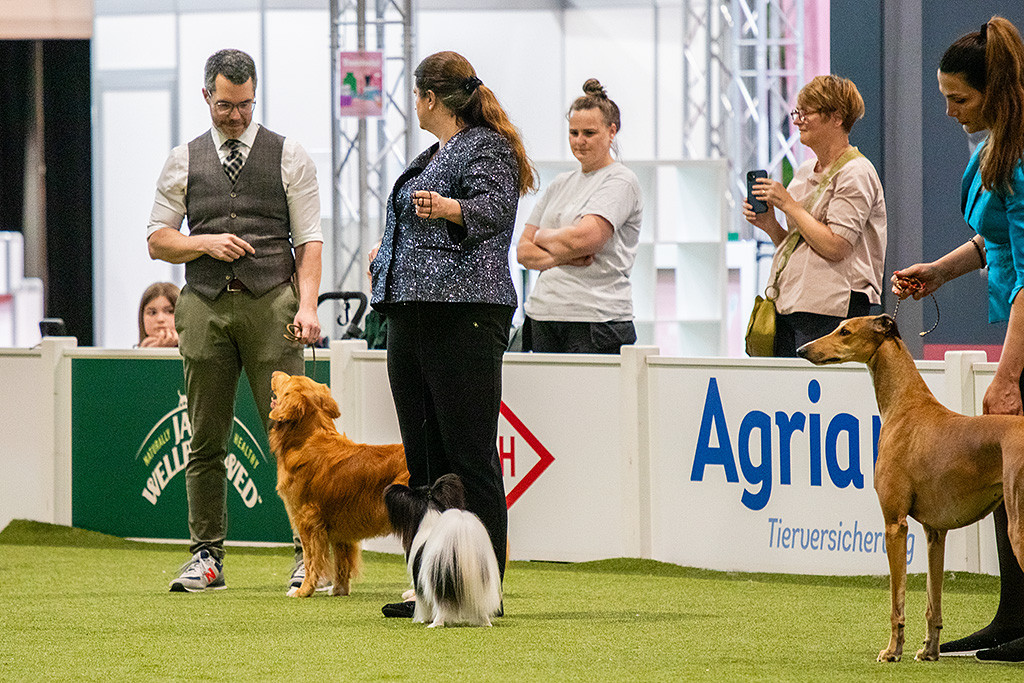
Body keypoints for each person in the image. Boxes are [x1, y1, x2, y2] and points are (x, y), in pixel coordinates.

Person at [146, 49, 322, 593]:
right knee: (205, 439)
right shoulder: (183, 159)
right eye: (226, 105)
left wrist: (309, 306)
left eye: (246, 104)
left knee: (299, 438)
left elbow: (309, 241)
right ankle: (206, 557)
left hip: (274, 304)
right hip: (202, 305)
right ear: (207, 97)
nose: (238, 115)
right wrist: (203, 242)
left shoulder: (291, 155)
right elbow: (157, 240)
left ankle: (307, 555)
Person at [368, 51, 535, 618]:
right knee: (424, 460)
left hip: (463, 315)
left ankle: (486, 589)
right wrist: (388, 252)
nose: (413, 105)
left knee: (468, 456)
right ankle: (432, 585)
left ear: (430, 98)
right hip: (411, 314)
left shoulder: (486, 147)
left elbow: (493, 214)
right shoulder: (429, 155)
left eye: (416, 96)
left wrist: (447, 206)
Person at [892, 16, 1024, 662]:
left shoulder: (1020, 158)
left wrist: (1007, 376)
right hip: (1015, 329)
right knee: (1008, 475)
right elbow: (992, 241)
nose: (947, 110)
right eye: (942, 96)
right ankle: (1012, 615)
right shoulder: (992, 146)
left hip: (1022, 341)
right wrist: (937, 271)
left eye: (958, 98)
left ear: (994, 90)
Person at [744, 74, 887, 357]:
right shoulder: (805, 172)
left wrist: (789, 204)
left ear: (836, 117)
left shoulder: (856, 173)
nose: (797, 121)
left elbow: (836, 247)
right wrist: (771, 226)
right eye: (797, 112)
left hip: (832, 312)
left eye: (806, 113)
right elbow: (803, 248)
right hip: (791, 305)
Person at [516, 79, 643, 353]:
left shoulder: (621, 180)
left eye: (589, 132)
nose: (580, 141)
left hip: (596, 319)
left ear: (612, 131)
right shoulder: (560, 183)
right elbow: (523, 252)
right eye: (573, 132)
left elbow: (586, 239)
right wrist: (564, 254)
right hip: (543, 314)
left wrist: (542, 236)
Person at [137, 282, 180, 348]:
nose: (160, 319)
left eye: (170, 311)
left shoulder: (197, 354)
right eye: (152, 313)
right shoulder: (130, 356)